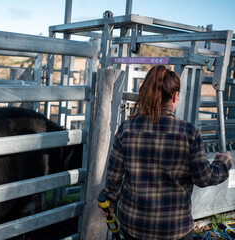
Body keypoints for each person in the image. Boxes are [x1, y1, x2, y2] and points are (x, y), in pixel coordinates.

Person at [99, 65, 233, 240]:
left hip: (133, 226)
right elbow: (204, 178)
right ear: (176, 96)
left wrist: (107, 200)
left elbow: (113, 179)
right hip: (175, 229)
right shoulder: (189, 133)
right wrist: (223, 162)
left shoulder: (127, 129)